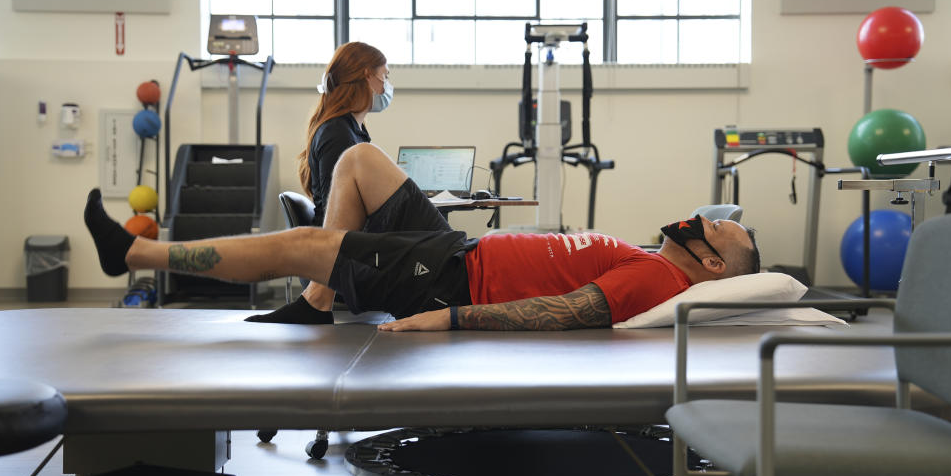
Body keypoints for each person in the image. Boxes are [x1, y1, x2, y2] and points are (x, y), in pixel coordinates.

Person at [84, 146, 760, 332]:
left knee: (302, 243)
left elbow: (566, 313)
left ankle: (135, 254)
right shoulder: (653, 257)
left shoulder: (660, 280)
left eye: (715, 229)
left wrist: (449, 318)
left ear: (709, 262)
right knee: (360, 162)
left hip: (444, 280)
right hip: (457, 252)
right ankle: (322, 299)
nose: (702, 218)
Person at [248, 41, 451, 325]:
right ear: (368, 76)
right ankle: (453, 266)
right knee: (446, 250)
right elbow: (344, 211)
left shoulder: (351, 130)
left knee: (436, 238)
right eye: (385, 76)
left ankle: (452, 261)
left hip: (347, 249)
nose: (386, 85)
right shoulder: (338, 134)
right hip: (347, 256)